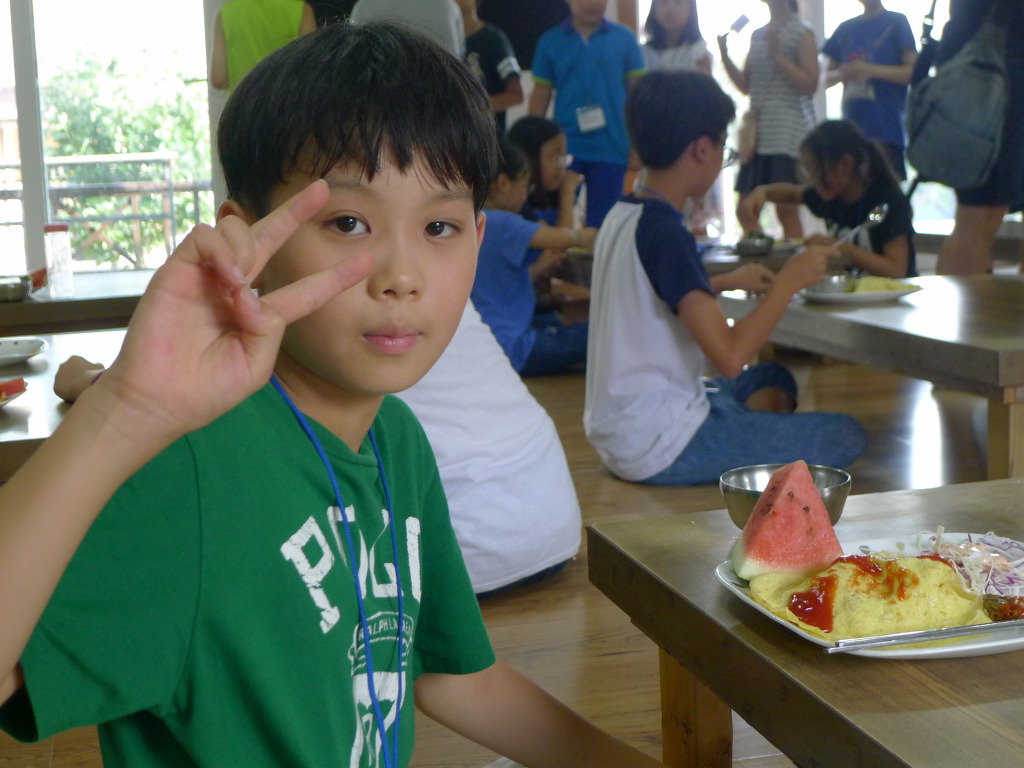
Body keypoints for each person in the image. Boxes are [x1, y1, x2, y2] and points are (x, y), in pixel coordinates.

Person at [0, 23, 662, 768]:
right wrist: (122, 415)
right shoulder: (189, 470)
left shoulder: (396, 440)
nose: (401, 275)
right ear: (249, 243)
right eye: (348, 223)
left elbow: (453, 677)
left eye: (439, 226)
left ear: (479, 240)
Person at [53, 302, 585, 599]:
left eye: (438, 228)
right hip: (552, 519)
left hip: (442, 558)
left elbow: (146, 390)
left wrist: (90, 379)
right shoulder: (442, 298)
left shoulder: (297, 311)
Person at [585, 70, 866, 486]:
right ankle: (741, 437)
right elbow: (732, 359)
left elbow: (646, 297)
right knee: (845, 433)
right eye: (724, 148)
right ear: (702, 149)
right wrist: (789, 280)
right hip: (660, 443)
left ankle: (744, 432)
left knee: (773, 377)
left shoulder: (624, 212)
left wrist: (726, 280)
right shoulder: (666, 232)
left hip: (621, 426)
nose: (723, 159)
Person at [472, 136, 596, 376]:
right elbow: (563, 239)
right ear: (504, 183)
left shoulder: (472, 219)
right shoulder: (503, 223)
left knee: (563, 318)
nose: (525, 196)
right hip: (514, 347)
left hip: (488, 341)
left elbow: (499, 282)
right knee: (597, 336)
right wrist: (590, 235)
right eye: (524, 186)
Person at [740, 119, 917, 278]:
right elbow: (792, 194)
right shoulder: (832, 197)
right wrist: (763, 192)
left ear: (845, 164)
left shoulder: (888, 201)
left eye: (815, 170)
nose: (812, 180)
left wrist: (839, 247)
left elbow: (896, 270)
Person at [528, 0, 646, 228]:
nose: (591, 3)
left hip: (612, 146)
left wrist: (640, 144)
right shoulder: (550, 40)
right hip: (563, 150)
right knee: (549, 220)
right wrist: (531, 145)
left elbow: (639, 95)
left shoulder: (625, 39)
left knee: (604, 226)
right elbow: (541, 93)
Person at [933, 0, 1024, 275]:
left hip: (988, 66)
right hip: (996, 70)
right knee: (980, 216)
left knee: (977, 217)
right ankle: (962, 301)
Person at [718, 0, 818, 239]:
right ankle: (763, 253)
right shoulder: (758, 34)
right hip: (758, 135)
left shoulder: (802, 32)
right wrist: (724, 54)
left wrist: (777, 56)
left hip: (788, 134)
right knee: (745, 210)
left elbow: (810, 85)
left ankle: (796, 259)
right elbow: (747, 85)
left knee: (787, 211)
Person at [820, 0, 917, 181]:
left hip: (887, 128)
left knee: (887, 189)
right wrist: (843, 73)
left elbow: (912, 72)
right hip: (851, 129)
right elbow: (823, 79)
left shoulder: (897, 22)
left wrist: (871, 70)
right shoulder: (844, 29)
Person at [209, 0, 318, 91]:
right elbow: (313, 70)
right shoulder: (302, 9)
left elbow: (219, 80)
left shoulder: (225, 13)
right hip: (287, 105)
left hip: (243, 107)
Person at [454, 0, 523, 133]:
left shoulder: (493, 39)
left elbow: (516, 94)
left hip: (490, 136)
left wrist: (472, 108)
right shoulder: (442, 39)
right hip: (453, 138)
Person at [508, 115, 582, 228]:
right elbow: (561, 239)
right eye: (556, 157)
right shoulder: (516, 202)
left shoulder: (541, 195)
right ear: (529, 157)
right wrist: (567, 192)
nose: (561, 166)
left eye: (563, 157)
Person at [349, 0, 465, 56]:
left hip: (377, 92)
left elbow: (352, 56)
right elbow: (458, 58)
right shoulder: (448, 7)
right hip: (438, 91)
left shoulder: (365, 6)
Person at [641, 0, 712, 74]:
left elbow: (705, 81)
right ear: (654, 10)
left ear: (690, 9)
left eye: (678, 2)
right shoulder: (644, 52)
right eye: (663, 2)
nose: (670, 8)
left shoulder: (698, 50)